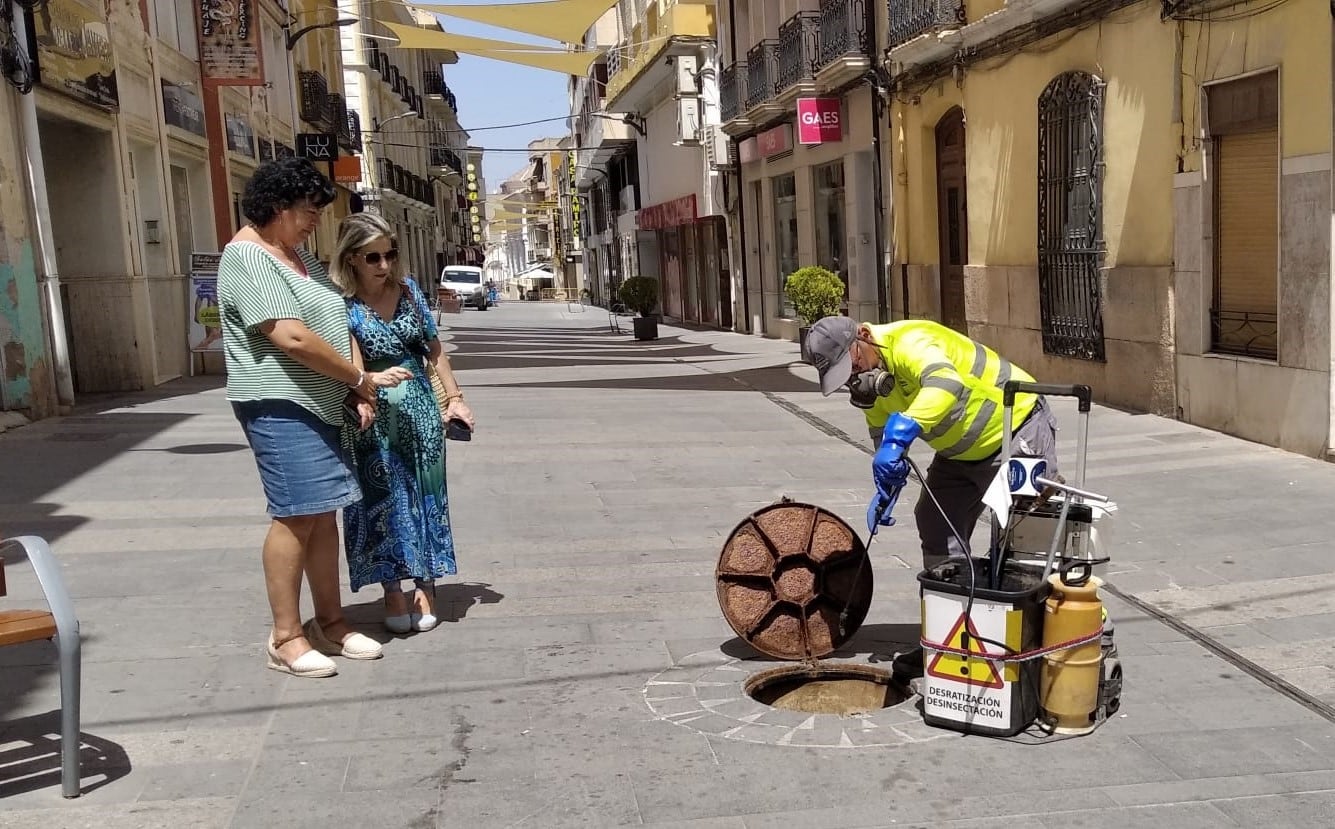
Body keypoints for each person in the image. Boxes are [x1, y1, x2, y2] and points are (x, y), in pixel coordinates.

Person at [219, 158, 412, 678]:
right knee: (296, 514)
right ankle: (285, 636)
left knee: (323, 513)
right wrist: (358, 378)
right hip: (280, 403)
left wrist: (353, 386)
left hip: (322, 400)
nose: (314, 222)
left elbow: (332, 315)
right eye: (308, 212)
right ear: (278, 207)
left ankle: (330, 621)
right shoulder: (247, 258)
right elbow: (291, 336)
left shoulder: (294, 255)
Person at [805, 315, 1060, 571]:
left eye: (853, 365)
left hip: (1016, 429)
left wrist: (900, 434)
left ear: (864, 336)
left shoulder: (910, 341)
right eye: (844, 376)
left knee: (1025, 531)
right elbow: (882, 435)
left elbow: (946, 383)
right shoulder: (874, 385)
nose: (853, 378)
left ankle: (1050, 603)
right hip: (958, 454)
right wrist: (888, 479)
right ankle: (951, 598)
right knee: (934, 521)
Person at [330, 213, 476, 634]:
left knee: (427, 494)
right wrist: (364, 388)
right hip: (370, 414)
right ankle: (391, 589)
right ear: (352, 258)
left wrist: (456, 400)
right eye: (373, 256)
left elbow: (434, 349)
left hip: (421, 411)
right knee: (380, 499)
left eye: (390, 254)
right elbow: (349, 361)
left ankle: (426, 587)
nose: (384, 264)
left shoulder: (409, 292)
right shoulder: (342, 303)